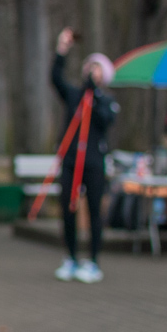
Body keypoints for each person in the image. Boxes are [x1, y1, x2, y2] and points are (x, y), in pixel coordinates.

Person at [52, 28, 119, 284]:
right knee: (68, 210)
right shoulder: (74, 96)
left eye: (97, 67)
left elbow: (105, 121)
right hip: (71, 162)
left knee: (94, 211)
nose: (92, 71)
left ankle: (93, 261)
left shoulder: (107, 101)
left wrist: (94, 94)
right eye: (89, 66)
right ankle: (70, 257)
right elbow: (55, 79)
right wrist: (62, 51)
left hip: (93, 163)